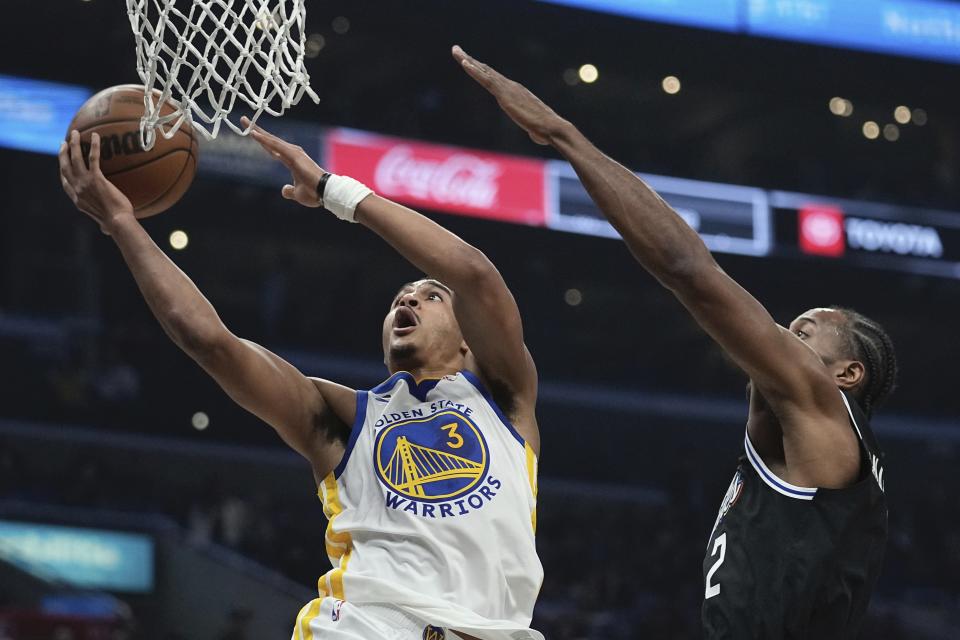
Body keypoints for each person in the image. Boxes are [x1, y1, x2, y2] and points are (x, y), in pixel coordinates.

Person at [452, 45, 895, 639]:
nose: (780, 339)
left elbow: (690, 269)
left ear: (846, 374)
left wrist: (562, 135)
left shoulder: (820, 404)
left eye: (803, 332)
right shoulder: (817, 452)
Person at [57, 122, 543, 640]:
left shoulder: (503, 398)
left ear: (469, 340)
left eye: (430, 296)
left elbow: (476, 275)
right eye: (400, 297)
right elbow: (211, 342)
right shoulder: (341, 414)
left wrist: (338, 193)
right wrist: (121, 222)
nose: (407, 301)